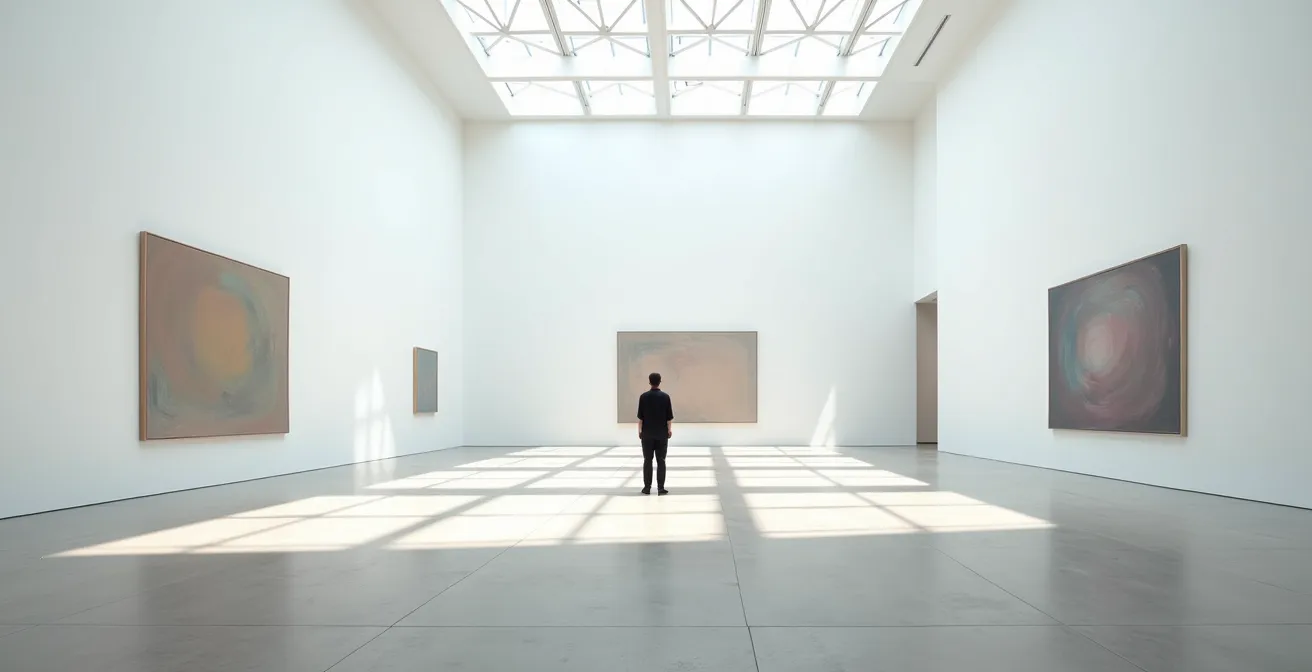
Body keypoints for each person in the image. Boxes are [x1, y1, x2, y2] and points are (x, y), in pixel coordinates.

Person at [636, 372, 673, 495]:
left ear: (649, 381)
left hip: (647, 434)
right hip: (661, 434)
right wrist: (669, 430)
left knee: (648, 460)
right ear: (660, 381)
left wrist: (640, 431)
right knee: (661, 460)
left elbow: (641, 418)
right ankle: (661, 488)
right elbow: (669, 418)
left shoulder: (643, 397)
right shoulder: (665, 397)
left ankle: (647, 487)